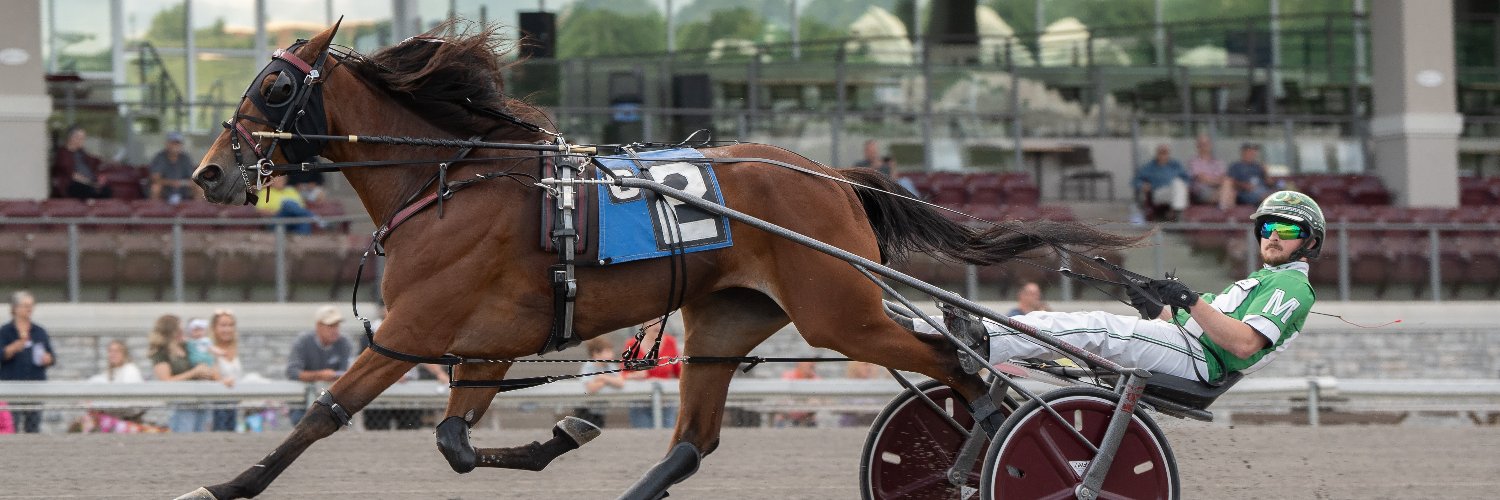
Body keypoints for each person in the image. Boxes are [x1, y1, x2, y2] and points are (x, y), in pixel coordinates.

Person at [906, 191, 1322, 385]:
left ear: (1310, 241)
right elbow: (1200, 324)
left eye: (1286, 229)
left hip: (1201, 361)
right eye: (1267, 227)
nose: (1272, 236)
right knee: (1082, 322)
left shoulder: (1290, 285)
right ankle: (959, 334)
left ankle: (984, 342)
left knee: (1097, 328)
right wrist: (1156, 308)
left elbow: (1244, 344)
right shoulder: (1268, 277)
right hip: (1187, 344)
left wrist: (1191, 301)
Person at [148, 314, 218, 432]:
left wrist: (205, 369)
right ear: (170, 331)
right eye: (179, 329)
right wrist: (193, 373)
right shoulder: (160, 353)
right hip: (181, 405)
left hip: (201, 399)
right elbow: (166, 380)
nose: (183, 331)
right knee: (185, 438)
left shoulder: (186, 347)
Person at [286, 305, 353, 424]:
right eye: (330, 325)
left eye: (337, 325)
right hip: (304, 400)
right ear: (318, 326)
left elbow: (346, 372)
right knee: (300, 421)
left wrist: (331, 376)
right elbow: (292, 372)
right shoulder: (303, 341)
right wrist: (320, 375)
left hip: (334, 399)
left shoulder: (344, 343)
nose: (335, 330)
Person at [1, 291, 55, 433]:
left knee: (33, 427)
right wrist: (13, 348)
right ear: (15, 308)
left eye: (31, 305)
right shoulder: (5, 332)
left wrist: (48, 359)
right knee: (12, 425)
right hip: (12, 387)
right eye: (25, 306)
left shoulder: (39, 331)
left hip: (35, 387)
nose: (29, 309)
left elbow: (52, 357)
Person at [623, 321, 681, 429]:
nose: (658, 326)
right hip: (640, 401)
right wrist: (634, 375)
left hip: (665, 401)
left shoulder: (670, 342)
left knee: (667, 434)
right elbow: (623, 373)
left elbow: (679, 372)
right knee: (644, 435)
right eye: (654, 323)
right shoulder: (632, 344)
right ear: (645, 326)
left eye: (660, 322)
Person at [49, 125, 112, 199]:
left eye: (83, 138)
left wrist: (109, 161)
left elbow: (94, 160)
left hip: (90, 183)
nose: (83, 140)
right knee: (88, 190)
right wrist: (91, 183)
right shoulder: (63, 153)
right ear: (72, 138)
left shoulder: (81, 152)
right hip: (74, 184)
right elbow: (71, 174)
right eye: (81, 138)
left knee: (107, 191)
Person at [575, 337, 625, 428]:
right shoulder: (589, 366)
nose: (611, 354)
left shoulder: (610, 365)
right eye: (607, 351)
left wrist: (603, 377)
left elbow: (620, 382)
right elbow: (591, 388)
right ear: (596, 353)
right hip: (585, 409)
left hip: (599, 410)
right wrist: (606, 381)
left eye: (611, 351)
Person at [1132, 143, 1190, 221]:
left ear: (1169, 153)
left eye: (1165, 152)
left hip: (1175, 192)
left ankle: (1176, 213)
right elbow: (1135, 181)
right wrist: (1142, 185)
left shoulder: (1175, 165)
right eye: (1161, 152)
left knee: (1178, 183)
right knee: (1178, 186)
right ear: (1157, 153)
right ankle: (1178, 217)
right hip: (1158, 192)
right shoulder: (1149, 166)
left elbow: (1186, 179)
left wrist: (1186, 186)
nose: (1163, 155)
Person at [853, 139, 917, 195]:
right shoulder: (860, 164)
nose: (873, 153)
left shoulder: (883, 163)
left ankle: (916, 204)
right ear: (866, 152)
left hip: (888, 186)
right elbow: (859, 180)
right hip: (876, 188)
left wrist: (893, 167)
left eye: (874, 150)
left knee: (905, 181)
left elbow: (894, 179)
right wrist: (874, 167)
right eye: (871, 150)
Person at [149, 132, 198, 203]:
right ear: (167, 144)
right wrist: (172, 183)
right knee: (155, 188)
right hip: (165, 188)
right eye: (173, 143)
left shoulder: (185, 158)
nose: (175, 146)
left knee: (199, 187)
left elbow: (193, 178)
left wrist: (184, 183)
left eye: (177, 143)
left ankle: (197, 212)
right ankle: (155, 212)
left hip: (182, 188)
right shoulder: (159, 157)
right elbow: (155, 178)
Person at [775, 361, 820, 427]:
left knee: (814, 403)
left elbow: (817, 396)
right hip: (790, 406)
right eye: (808, 365)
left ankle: (812, 433)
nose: (811, 367)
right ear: (800, 365)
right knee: (781, 408)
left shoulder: (815, 378)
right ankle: (778, 433)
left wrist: (808, 377)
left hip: (806, 409)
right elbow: (785, 393)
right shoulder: (789, 375)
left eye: (811, 366)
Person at [1187, 134, 1228, 206]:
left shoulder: (1218, 162)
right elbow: (1202, 179)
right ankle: (1226, 213)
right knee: (1228, 192)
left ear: (1210, 145)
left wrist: (1213, 180)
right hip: (1202, 191)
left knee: (1228, 184)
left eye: (1206, 144)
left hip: (1219, 189)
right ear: (1197, 146)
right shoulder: (1194, 162)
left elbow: (1223, 178)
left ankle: (1223, 209)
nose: (1204, 146)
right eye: (1201, 144)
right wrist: (1217, 181)